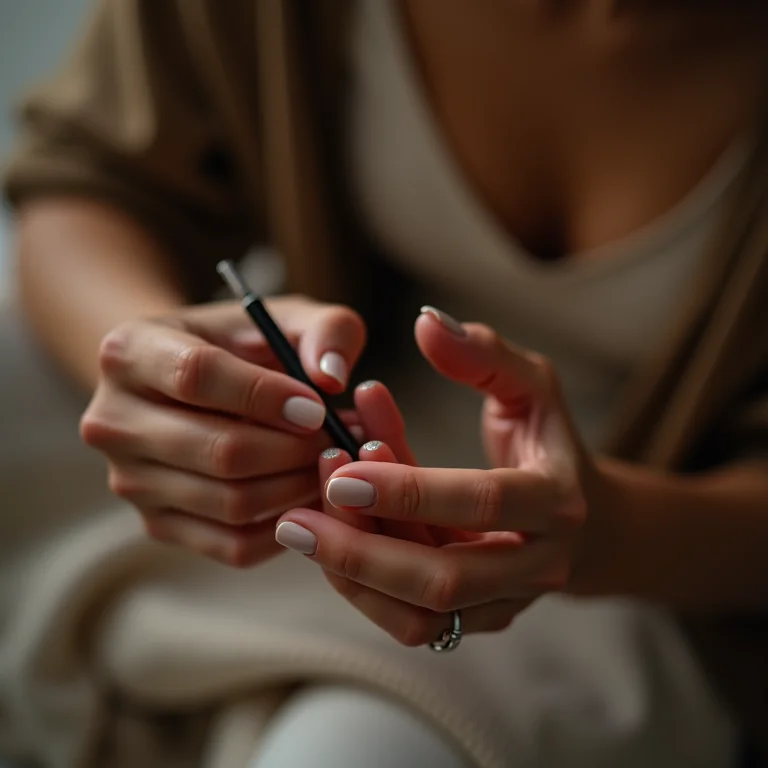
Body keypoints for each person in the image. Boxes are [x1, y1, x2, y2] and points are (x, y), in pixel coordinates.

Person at [3, 1, 768, 766]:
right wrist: (160, 368)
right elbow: (93, 176)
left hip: (658, 545)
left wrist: (611, 536)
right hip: (310, 435)